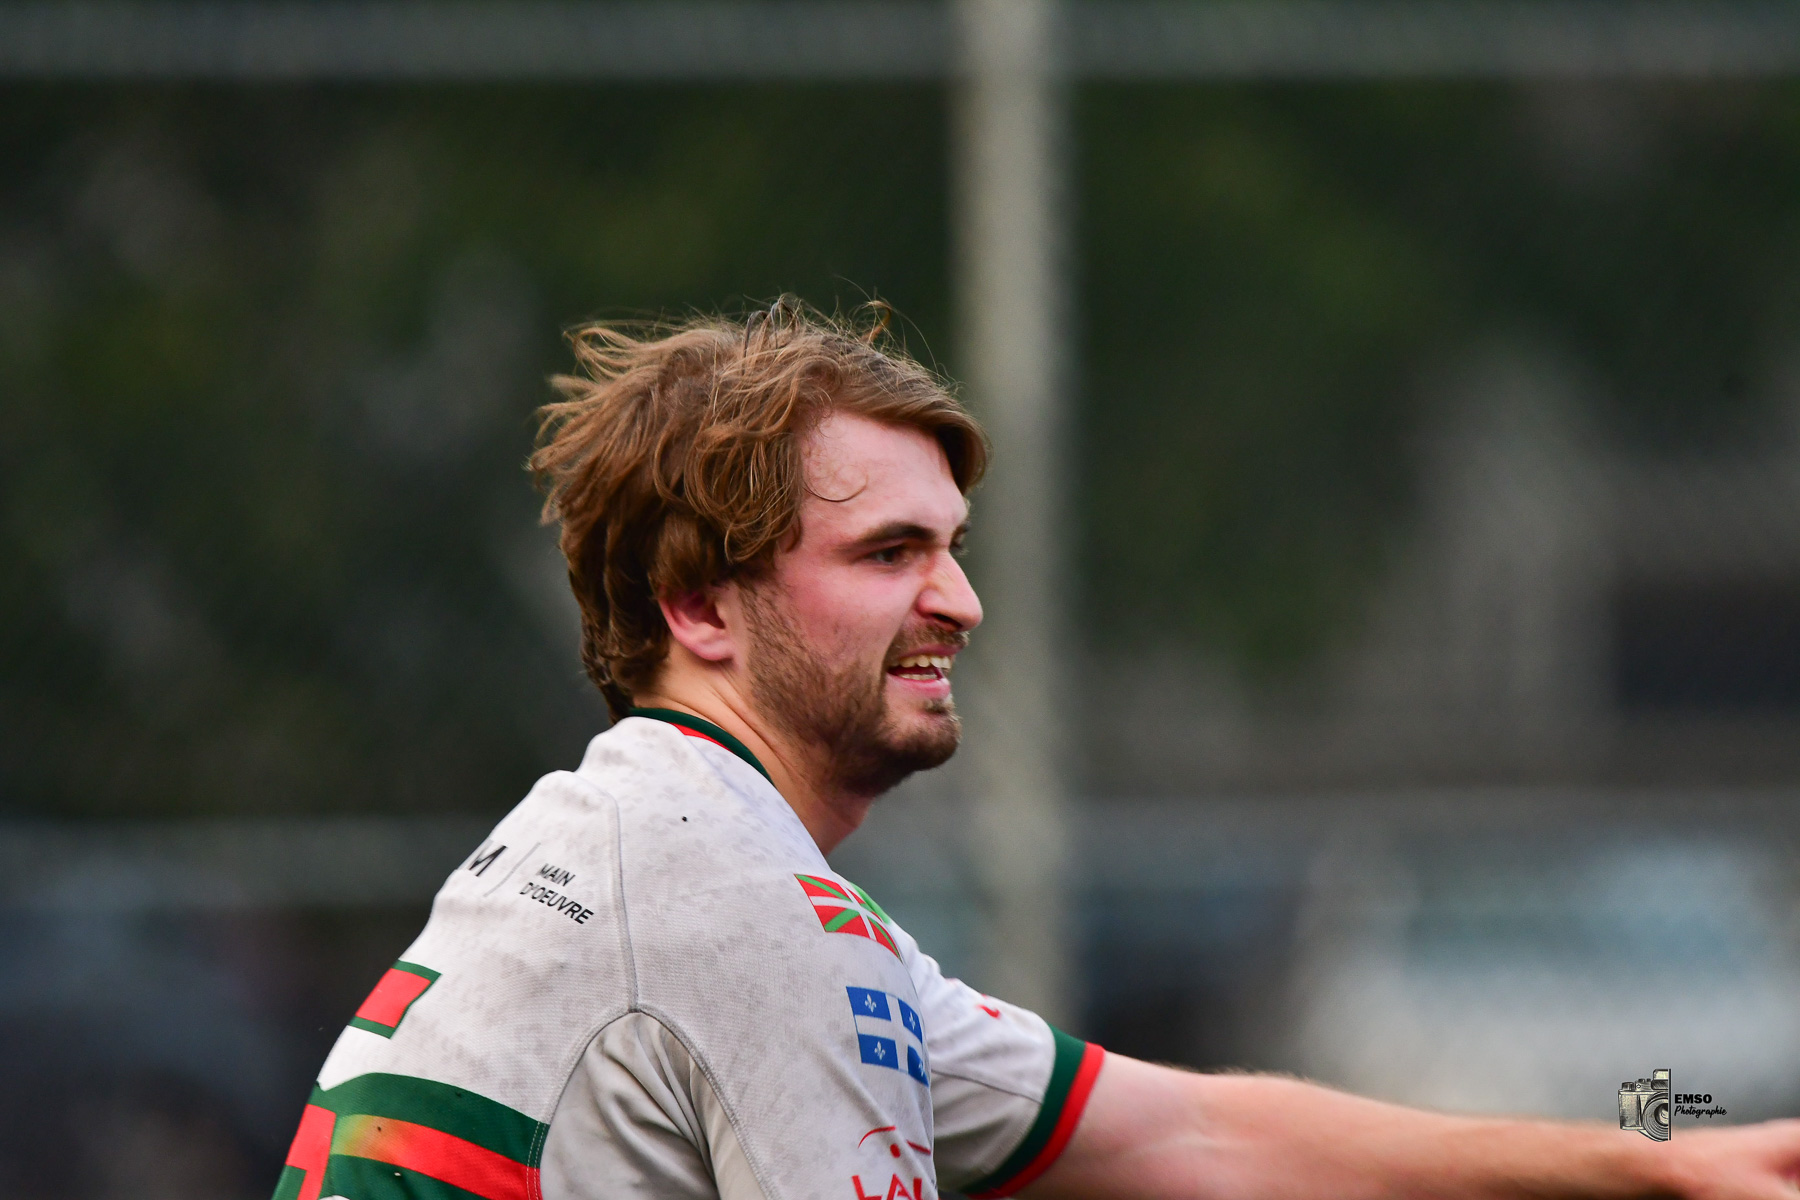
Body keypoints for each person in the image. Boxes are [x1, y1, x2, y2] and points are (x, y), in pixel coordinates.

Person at [272, 302, 1800, 1200]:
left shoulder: (675, 855)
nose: (960, 600)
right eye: (888, 554)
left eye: (951, 547)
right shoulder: (727, 905)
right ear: (700, 605)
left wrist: (1652, 1157)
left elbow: (1200, 1129)